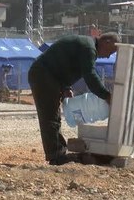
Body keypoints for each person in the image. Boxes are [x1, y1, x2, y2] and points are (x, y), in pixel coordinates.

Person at [28, 33, 119, 165]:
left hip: (48, 76)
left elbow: (62, 63)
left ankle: (57, 153)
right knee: (50, 117)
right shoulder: (89, 48)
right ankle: (56, 156)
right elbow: (90, 75)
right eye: (111, 51)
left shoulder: (87, 45)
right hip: (43, 75)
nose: (108, 56)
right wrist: (106, 96)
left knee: (53, 117)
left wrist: (65, 87)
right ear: (107, 42)